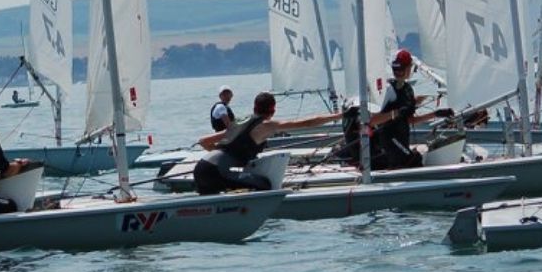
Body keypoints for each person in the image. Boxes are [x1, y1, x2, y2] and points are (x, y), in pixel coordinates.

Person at [192, 92, 339, 195]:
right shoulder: (266, 125)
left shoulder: (238, 123)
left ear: (254, 108)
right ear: (273, 110)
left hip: (200, 169)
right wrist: (340, 115)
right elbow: (307, 123)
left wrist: (227, 158)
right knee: (264, 184)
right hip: (215, 173)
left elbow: (203, 141)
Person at [367, 50, 453, 169]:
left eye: (401, 69)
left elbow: (409, 120)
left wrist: (435, 114)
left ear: (409, 68)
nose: (398, 73)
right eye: (395, 69)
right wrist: (396, 113)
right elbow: (372, 121)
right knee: (414, 161)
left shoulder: (408, 89)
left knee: (415, 158)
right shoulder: (389, 89)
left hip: (402, 140)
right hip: (389, 140)